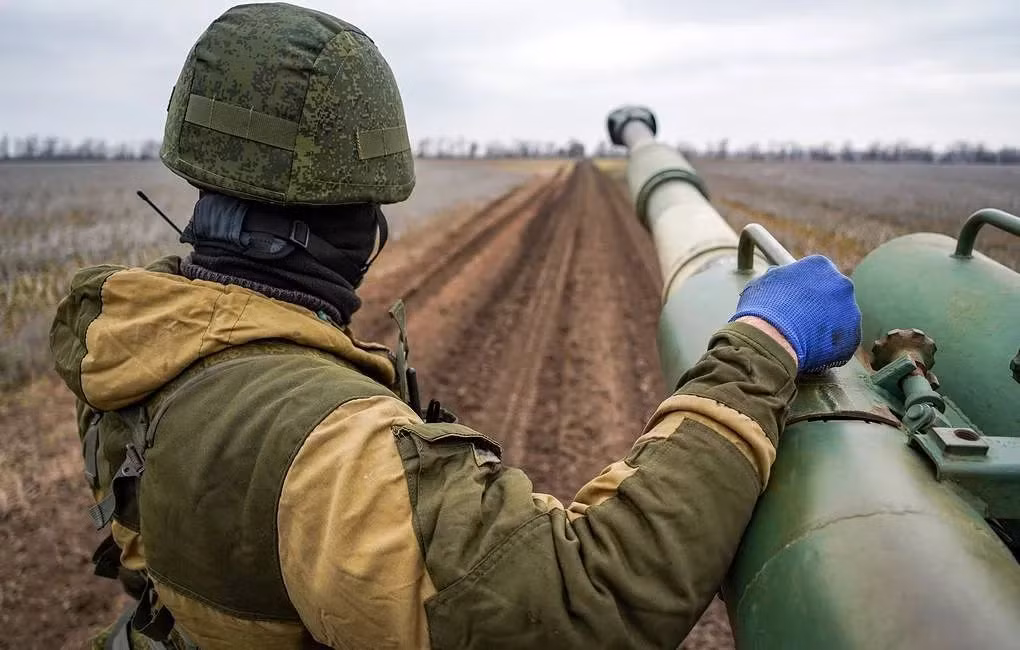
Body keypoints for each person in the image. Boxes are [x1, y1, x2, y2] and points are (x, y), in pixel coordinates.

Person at [50, 4, 861, 649]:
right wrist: (763, 344)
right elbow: (589, 600)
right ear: (357, 225)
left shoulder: (142, 342)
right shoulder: (330, 449)